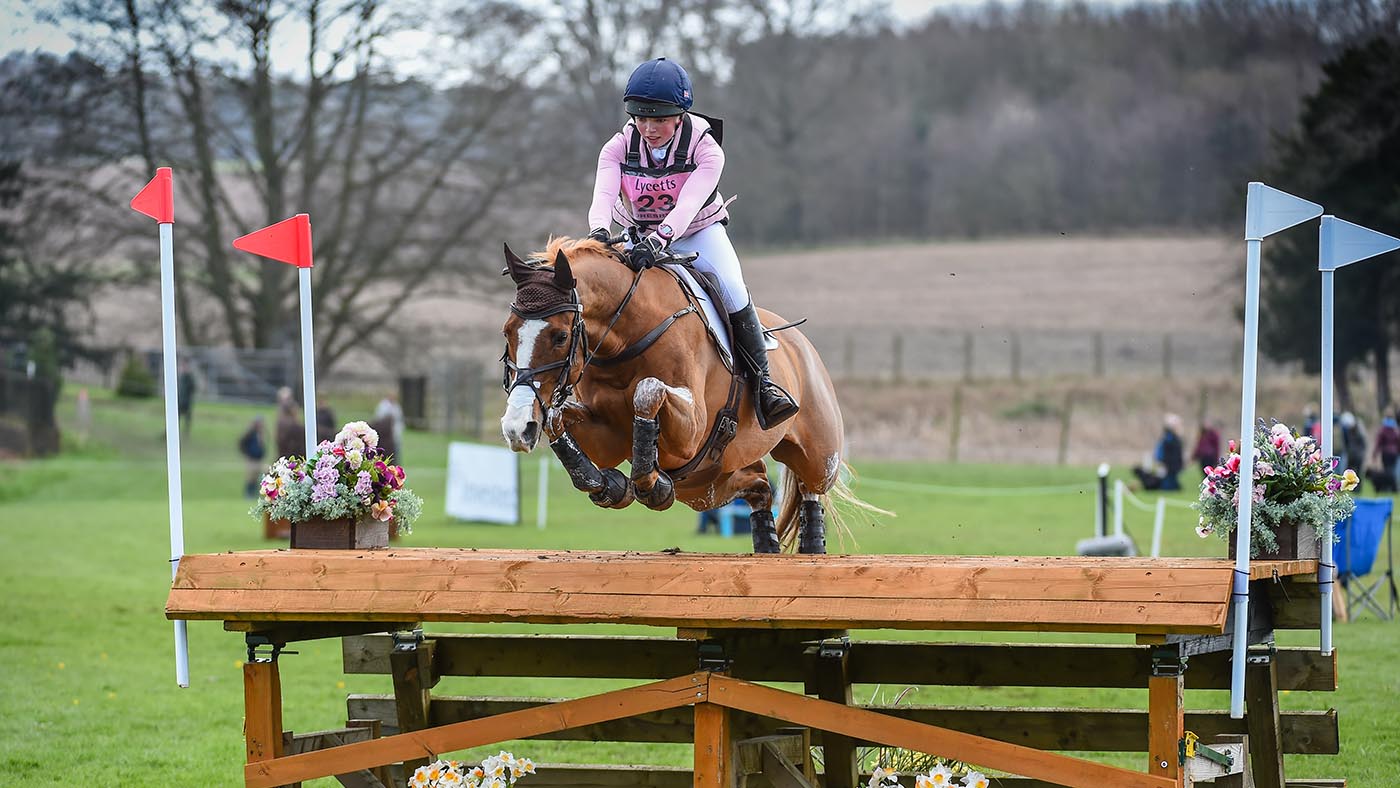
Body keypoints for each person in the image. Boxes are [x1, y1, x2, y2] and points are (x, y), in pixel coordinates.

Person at [585, 57, 798, 430]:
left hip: (698, 232)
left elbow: (688, 204)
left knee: (732, 288)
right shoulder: (617, 147)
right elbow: (603, 194)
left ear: (680, 115)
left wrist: (661, 239)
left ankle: (764, 385)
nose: (648, 128)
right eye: (641, 118)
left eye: (659, 120)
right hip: (637, 233)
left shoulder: (707, 149)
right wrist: (599, 231)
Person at [1153, 413, 1185, 491]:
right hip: (1169, 463)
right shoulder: (1169, 437)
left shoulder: (1172, 437)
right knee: (1168, 481)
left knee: (1172, 480)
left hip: (1172, 463)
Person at [238, 416, 267, 499]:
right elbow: (242, 443)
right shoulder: (250, 433)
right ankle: (248, 494)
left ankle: (254, 493)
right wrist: (247, 453)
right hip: (251, 459)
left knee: (257, 476)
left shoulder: (261, 433)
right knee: (251, 477)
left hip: (258, 459)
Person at [374, 391, 406, 460]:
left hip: (395, 433)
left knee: (396, 451)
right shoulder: (383, 406)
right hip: (385, 435)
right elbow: (379, 419)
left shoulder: (396, 406)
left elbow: (399, 419)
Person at [1372, 415, 1399, 493]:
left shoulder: (1383, 430)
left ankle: (1387, 487)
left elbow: (1378, 443)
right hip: (1394, 453)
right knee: (1392, 470)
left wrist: (1375, 454)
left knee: (1387, 470)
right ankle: (1393, 487)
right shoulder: (1395, 430)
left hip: (1386, 453)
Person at [177, 359, 197, 435]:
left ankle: (186, 432)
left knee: (187, 418)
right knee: (176, 417)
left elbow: (193, 388)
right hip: (180, 401)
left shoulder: (189, 377)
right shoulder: (180, 377)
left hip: (187, 402)